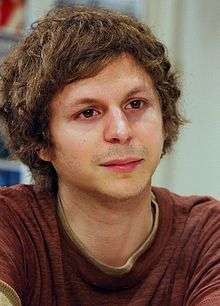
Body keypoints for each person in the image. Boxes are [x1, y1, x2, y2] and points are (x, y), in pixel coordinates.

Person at [0, 4, 219, 306]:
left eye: (136, 104)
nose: (121, 130)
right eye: (88, 112)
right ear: (42, 141)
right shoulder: (11, 225)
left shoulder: (207, 233)